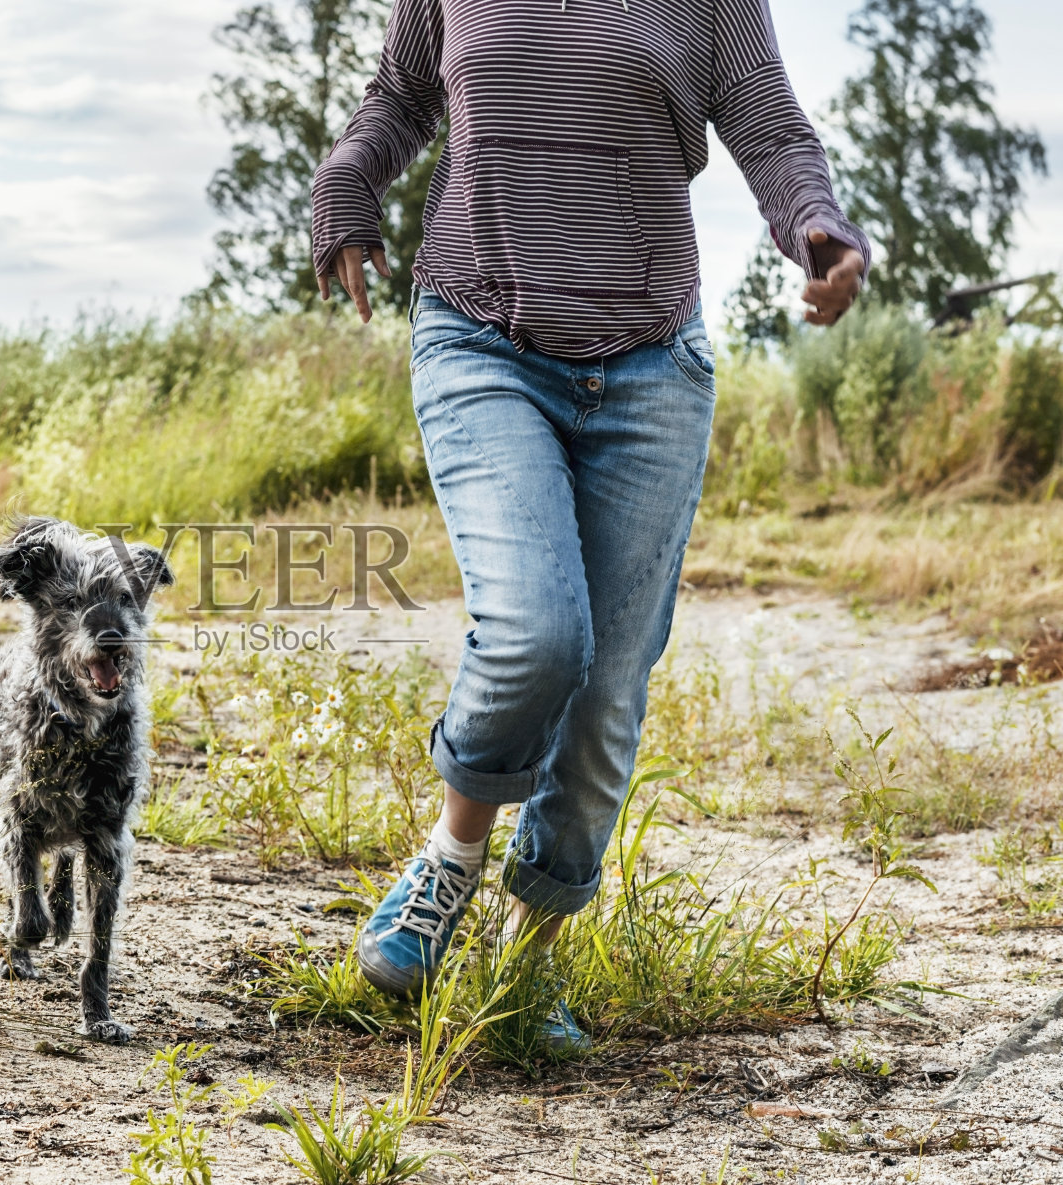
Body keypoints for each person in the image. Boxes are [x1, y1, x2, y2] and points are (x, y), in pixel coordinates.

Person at [311, 0, 867, 1049]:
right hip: (481, 340)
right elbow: (401, 94)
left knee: (609, 680)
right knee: (536, 633)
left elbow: (769, 124)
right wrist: (347, 178)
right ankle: (449, 863)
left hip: (653, 364)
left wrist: (818, 229)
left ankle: (528, 968)